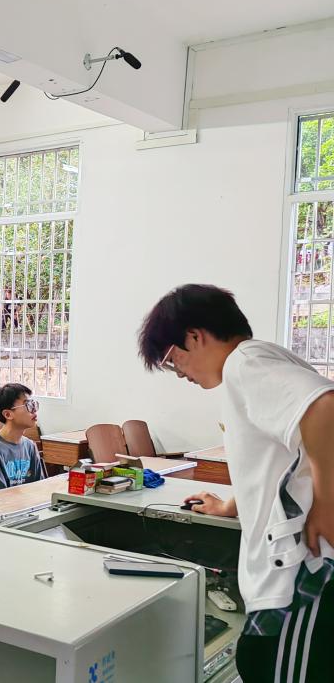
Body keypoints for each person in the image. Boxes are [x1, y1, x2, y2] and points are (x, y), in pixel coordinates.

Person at [139, 284, 334, 682]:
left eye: (173, 360)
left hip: (302, 570)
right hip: (288, 568)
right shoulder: (257, 362)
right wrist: (231, 505)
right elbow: (275, 461)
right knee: (262, 659)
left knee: (269, 663)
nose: (180, 374)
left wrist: (328, 502)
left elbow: (325, 408)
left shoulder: (244, 364)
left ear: (195, 336)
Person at [0, 384, 44, 492]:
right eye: (28, 405)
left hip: (25, 502)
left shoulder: (30, 446)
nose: (34, 410)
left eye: (33, 404)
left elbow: (39, 488)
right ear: (8, 414)